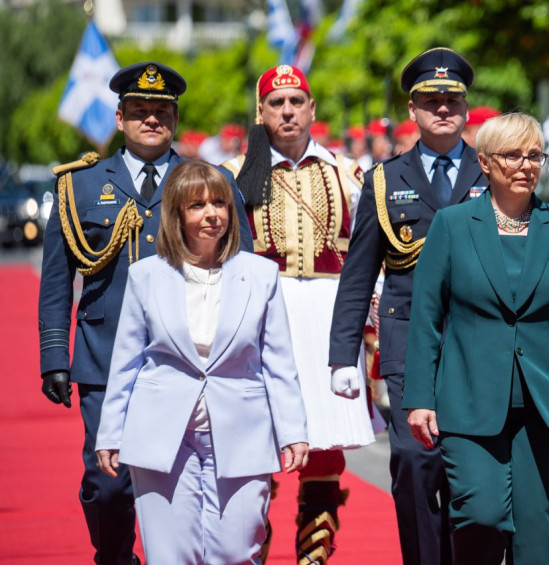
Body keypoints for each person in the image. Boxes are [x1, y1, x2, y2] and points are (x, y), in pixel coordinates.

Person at [37, 61, 253, 565]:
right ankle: (115, 557)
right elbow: (55, 280)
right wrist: (54, 355)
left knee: (184, 482)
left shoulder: (207, 181)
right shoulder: (81, 186)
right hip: (105, 357)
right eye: (139, 111)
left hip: (187, 361)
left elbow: (240, 269)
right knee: (107, 483)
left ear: (175, 118)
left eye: (161, 111)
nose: (151, 119)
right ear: (119, 118)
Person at [403, 112, 549, 564]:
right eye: (512, 155)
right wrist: (419, 396)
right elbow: (426, 316)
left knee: (540, 539)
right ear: (484, 162)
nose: (525, 165)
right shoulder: (452, 225)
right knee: (481, 516)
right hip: (468, 402)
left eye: (534, 155)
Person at [95, 159, 308, 564]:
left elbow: (279, 362)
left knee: (237, 551)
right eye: (197, 205)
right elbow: (125, 362)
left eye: (219, 204)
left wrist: (293, 431)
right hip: (162, 434)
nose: (212, 214)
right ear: (176, 214)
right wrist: (110, 433)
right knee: (171, 555)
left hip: (242, 430)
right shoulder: (146, 276)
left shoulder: (261, 274)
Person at [329, 47, 488, 565]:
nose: (442, 109)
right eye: (430, 100)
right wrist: (341, 356)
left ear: (464, 108)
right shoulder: (383, 179)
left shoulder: (494, 173)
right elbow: (357, 275)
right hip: (408, 343)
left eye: (452, 100)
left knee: (475, 469)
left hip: (482, 344)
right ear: (413, 110)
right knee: (415, 465)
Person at [223, 63, 376, 564]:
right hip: (264, 313)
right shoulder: (233, 175)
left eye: (296, 102)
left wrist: (371, 307)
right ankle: (250, 547)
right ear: (260, 112)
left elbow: (370, 249)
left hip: (332, 311)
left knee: (325, 439)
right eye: (275, 103)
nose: (287, 111)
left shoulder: (348, 172)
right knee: (258, 435)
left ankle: (314, 555)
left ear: (312, 109)